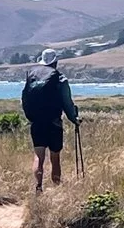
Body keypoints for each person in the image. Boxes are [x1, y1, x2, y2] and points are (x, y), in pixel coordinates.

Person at [20, 56, 81, 190]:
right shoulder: (60, 78)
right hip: (54, 123)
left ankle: (38, 187)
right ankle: (57, 188)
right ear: (55, 63)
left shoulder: (32, 76)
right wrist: (74, 119)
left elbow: (24, 98)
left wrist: (30, 117)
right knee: (55, 157)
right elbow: (67, 102)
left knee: (38, 157)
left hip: (36, 123)